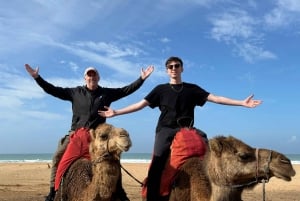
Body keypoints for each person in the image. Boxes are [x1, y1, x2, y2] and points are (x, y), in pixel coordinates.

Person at [98, 56, 262, 201]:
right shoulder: (160, 90)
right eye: (170, 67)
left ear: (182, 68)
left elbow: (216, 98)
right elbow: (140, 105)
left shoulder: (192, 89)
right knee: (157, 162)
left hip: (189, 130)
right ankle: (152, 196)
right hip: (166, 130)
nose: (174, 69)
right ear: (167, 71)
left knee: (210, 157)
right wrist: (116, 112)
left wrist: (241, 103)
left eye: (177, 66)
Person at [25, 63, 154, 201]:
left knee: (113, 158)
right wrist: (37, 78)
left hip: (96, 137)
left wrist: (141, 79)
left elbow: (126, 90)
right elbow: (53, 90)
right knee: (57, 157)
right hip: (76, 134)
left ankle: (120, 192)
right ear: (85, 78)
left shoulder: (106, 94)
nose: (91, 77)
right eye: (89, 75)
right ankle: (53, 191)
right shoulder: (75, 92)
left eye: (94, 74)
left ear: (98, 77)